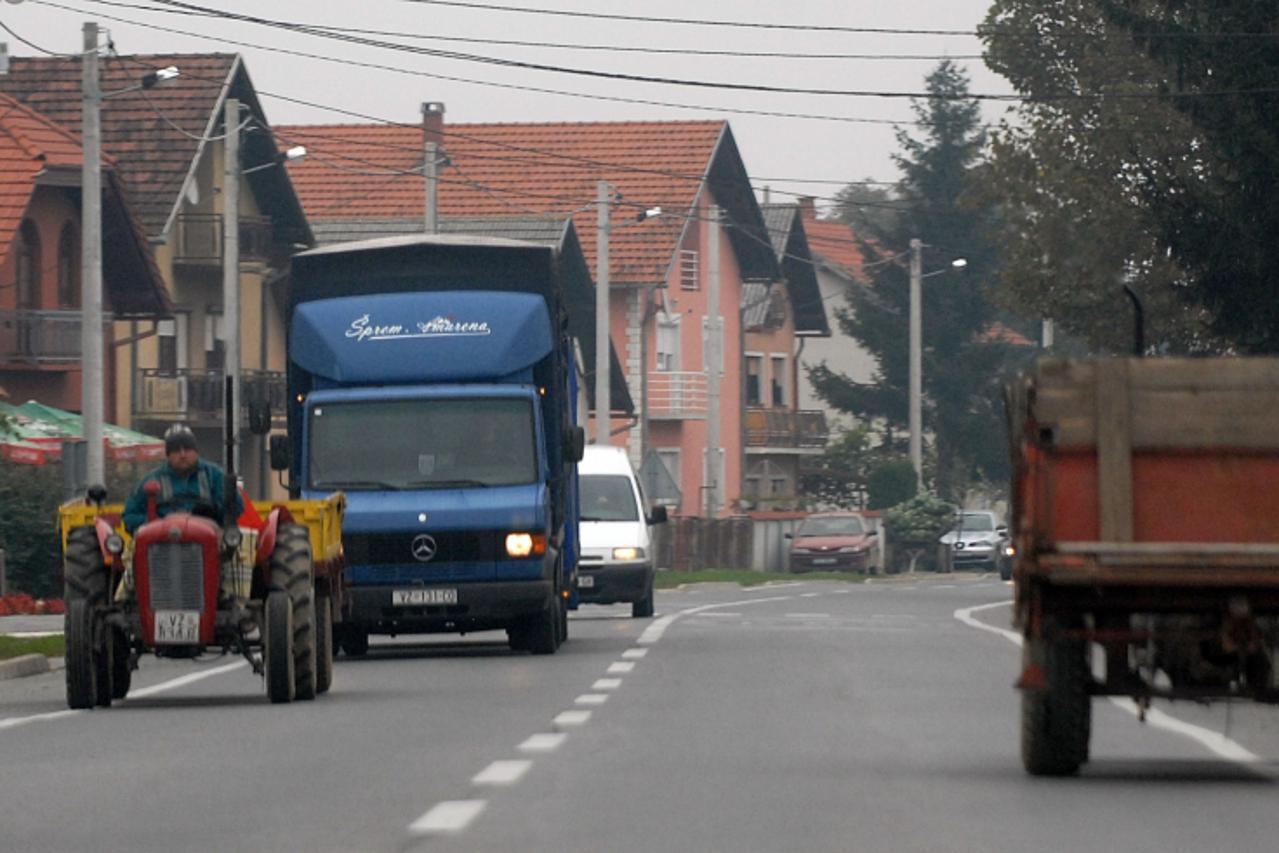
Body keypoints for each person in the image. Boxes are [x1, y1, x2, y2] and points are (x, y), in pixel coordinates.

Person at [122, 424, 243, 534]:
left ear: (196, 452)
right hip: (162, 539)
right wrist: (157, 521)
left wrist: (214, 512)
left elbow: (236, 507)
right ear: (168, 455)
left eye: (187, 449)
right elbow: (130, 516)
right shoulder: (150, 481)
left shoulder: (214, 476)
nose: (183, 455)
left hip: (208, 538)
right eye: (176, 450)